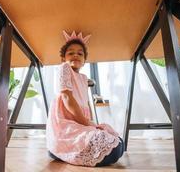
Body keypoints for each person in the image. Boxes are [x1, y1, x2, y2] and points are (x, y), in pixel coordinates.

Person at [46, 30, 124, 167]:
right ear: (63, 58)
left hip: (81, 122)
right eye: (70, 53)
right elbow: (67, 97)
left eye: (80, 53)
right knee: (115, 149)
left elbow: (85, 103)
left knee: (117, 140)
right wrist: (87, 123)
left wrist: (91, 123)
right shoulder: (64, 68)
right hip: (68, 124)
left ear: (84, 61)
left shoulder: (83, 78)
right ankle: (59, 149)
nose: (75, 55)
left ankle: (65, 151)